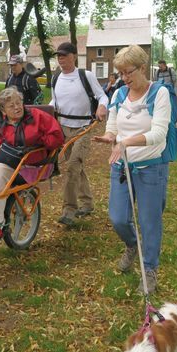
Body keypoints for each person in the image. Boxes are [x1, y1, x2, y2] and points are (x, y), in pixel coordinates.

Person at [93, 45, 172, 294]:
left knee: (149, 222)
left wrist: (126, 142)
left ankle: (149, 269)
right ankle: (131, 244)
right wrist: (109, 137)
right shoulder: (119, 94)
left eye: (129, 73)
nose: (125, 79)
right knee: (117, 217)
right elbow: (113, 126)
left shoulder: (159, 94)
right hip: (122, 166)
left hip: (151, 167)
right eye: (121, 74)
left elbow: (159, 134)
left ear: (142, 68)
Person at [0, 88, 64, 244]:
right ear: (3, 110)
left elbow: (57, 137)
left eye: (19, 102)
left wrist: (38, 140)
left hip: (30, 164)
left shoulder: (37, 116)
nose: (17, 107)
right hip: (5, 161)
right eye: (11, 106)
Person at [49, 41, 108, 226]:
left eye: (64, 55)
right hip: (63, 128)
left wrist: (102, 108)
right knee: (77, 168)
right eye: (58, 56)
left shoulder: (85, 75)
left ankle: (69, 210)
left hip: (83, 128)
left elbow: (102, 96)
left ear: (74, 56)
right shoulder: (56, 77)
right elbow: (54, 100)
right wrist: (46, 112)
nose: (61, 59)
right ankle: (88, 203)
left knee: (73, 167)